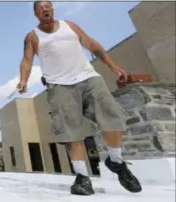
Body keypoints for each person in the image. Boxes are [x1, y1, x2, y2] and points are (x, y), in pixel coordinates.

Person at [17, 1, 142, 196]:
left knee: (112, 118)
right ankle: (82, 177)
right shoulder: (32, 36)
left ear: (52, 9)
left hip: (88, 78)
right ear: (35, 13)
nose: (45, 8)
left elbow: (91, 44)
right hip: (59, 85)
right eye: (41, 7)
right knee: (70, 132)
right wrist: (23, 81)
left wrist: (112, 66)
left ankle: (116, 161)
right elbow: (26, 61)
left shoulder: (69, 25)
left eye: (48, 5)